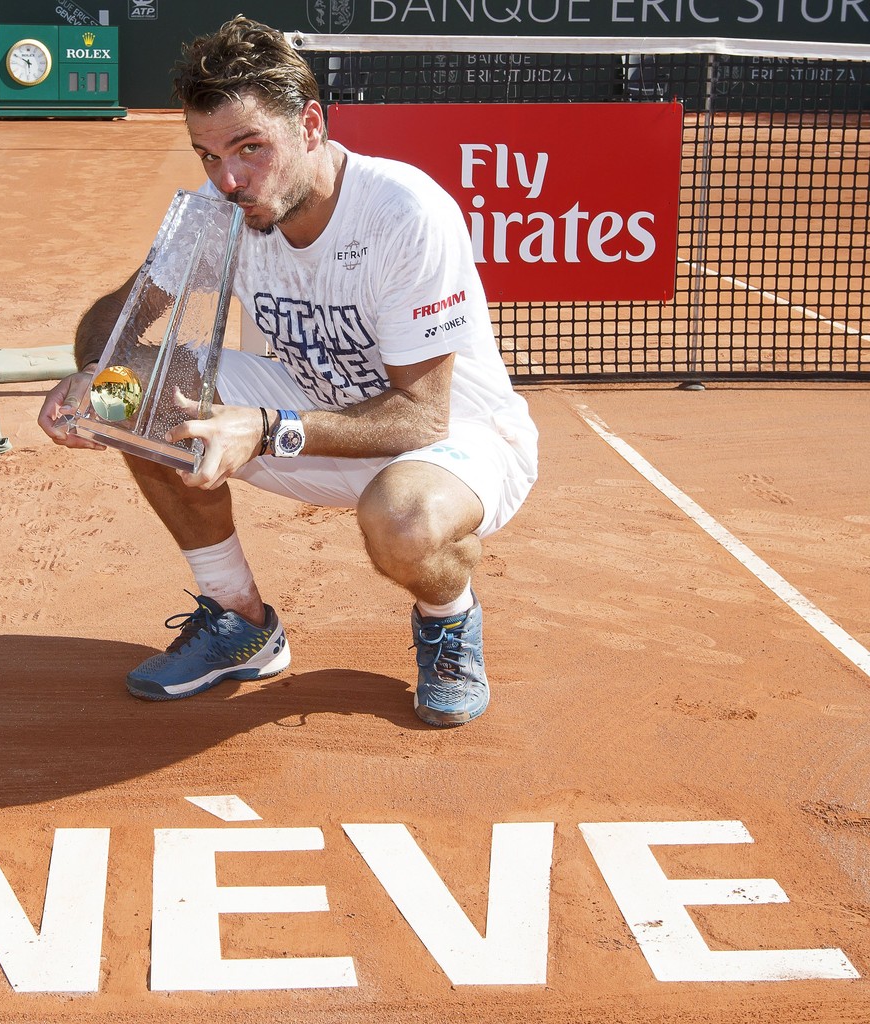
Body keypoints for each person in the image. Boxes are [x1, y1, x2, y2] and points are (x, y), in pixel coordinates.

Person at [37, 15, 537, 726]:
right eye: (207, 155)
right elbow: (119, 326)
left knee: (401, 517)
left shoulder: (402, 212)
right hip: (309, 411)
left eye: (249, 148)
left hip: (451, 443)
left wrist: (268, 429)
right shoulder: (222, 207)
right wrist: (99, 380)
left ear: (309, 126)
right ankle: (241, 623)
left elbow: (419, 415)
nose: (229, 178)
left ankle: (447, 619)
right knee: (135, 397)